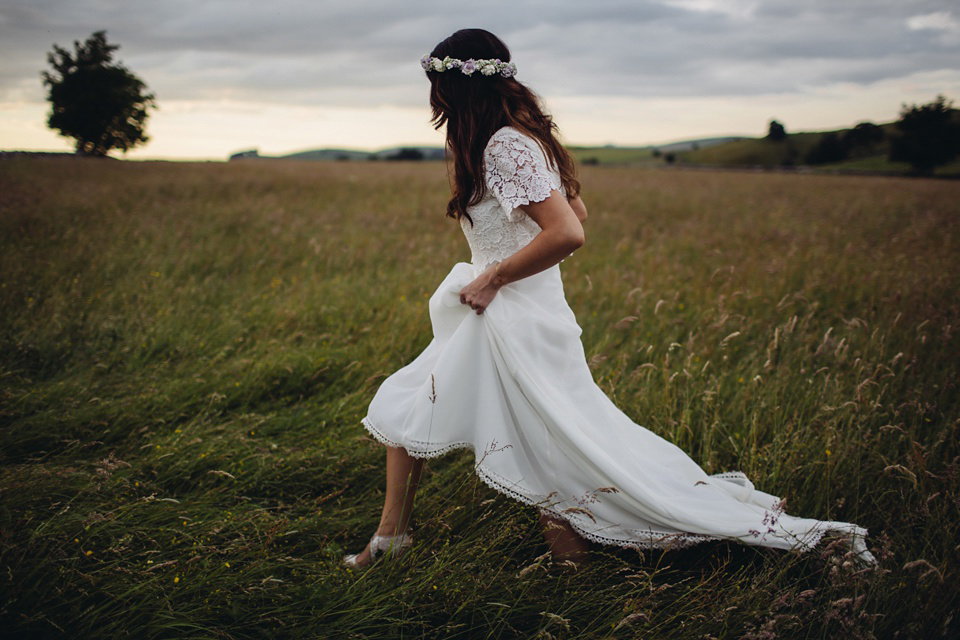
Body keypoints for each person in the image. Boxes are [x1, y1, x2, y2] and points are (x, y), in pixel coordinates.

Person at [343, 29, 875, 568]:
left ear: (457, 86)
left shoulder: (504, 145)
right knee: (512, 428)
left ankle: (442, 546)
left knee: (484, 424)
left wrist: (494, 276)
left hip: (509, 312)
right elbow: (577, 212)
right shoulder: (511, 138)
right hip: (512, 311)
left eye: (438, 83)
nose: (433, 96)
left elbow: (570, 232)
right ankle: (483, 547)